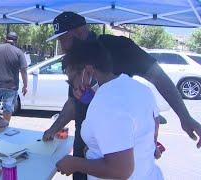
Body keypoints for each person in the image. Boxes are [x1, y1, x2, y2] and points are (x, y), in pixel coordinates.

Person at [43, 11, 201, 179]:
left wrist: (184, 117)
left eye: (63, 39)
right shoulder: (77, 61)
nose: (62, 46)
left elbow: (158, 78)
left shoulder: (118, 48)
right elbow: (74, 102)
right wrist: (55, 129)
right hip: (91, 150)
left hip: (118, 155)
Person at [56, 39, 163, 179]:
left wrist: (75, 163)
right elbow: (154, 127)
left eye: (71, 81)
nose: (73, 87)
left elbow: (120, 171)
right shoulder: (140, 88)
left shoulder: (106, 101)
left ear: (88, 71)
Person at [0, 32, 28, 121]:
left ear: (6, 39)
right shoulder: (19, 52)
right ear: (16, 41)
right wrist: (25, 86)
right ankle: (4, 127)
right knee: (8, 108)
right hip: (11, 86)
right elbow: (23, 70)